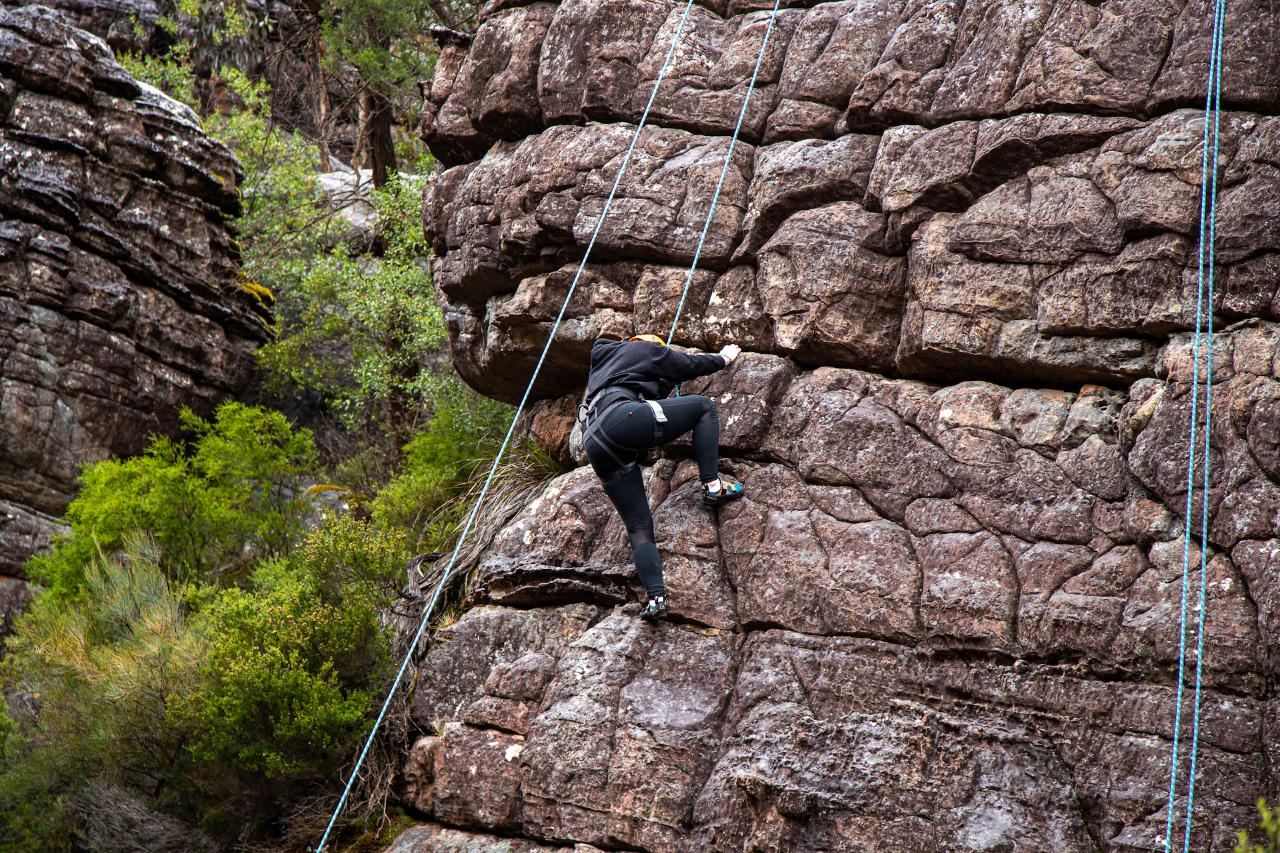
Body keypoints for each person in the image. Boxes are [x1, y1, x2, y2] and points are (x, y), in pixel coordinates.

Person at [580, 332, 744, 621]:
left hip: (594, 439)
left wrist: (663, 385)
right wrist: (723, 359)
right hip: (621, 418)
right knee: (704, 407)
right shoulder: (646, 350)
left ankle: (655, 598)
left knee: (638, 525)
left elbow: (644, 390)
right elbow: (685, 364)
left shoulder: (604, 360)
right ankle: (713, 485)